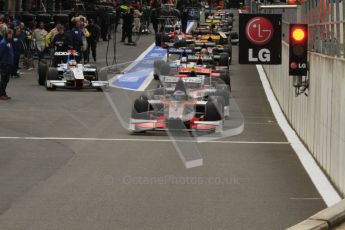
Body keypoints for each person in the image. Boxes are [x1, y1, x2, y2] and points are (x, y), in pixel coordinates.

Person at [0, 29, 14, 100]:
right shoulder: (3, 43)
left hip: (9, 64)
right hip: (5, 64)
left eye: (11, 34)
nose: (11, 36)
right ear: (6, 34)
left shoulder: (8, 42)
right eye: (9, 34)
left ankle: (4, 93)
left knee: (6, 80)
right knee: (4, 80)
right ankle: (1, 94)